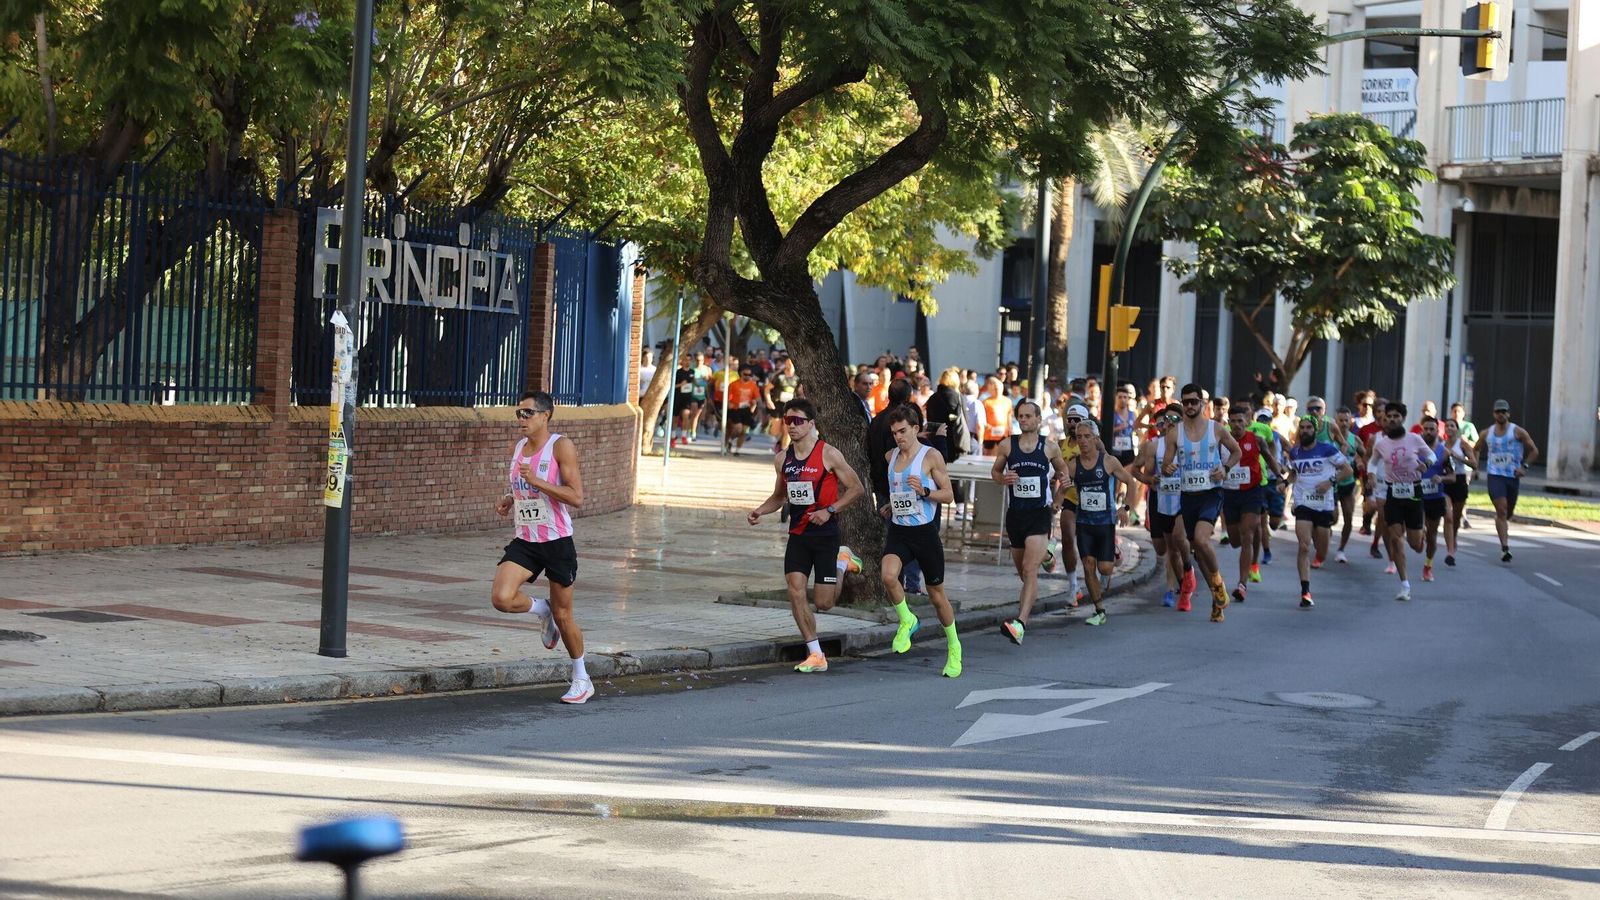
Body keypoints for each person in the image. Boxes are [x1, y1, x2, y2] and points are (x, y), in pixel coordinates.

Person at [747, 399, 867, 674]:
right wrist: (759, 511)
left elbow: (856, 488)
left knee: (824, 603)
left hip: (825, 534)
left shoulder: (829, 454)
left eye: (798, 421)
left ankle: (841, 562)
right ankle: (815, 653)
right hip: (798, 535)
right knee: (795, 590)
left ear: (811, 424)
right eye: (788, 421)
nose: (792, 426)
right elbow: (779, 497)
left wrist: (830, 510)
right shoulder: (782, 459)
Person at [492, 391, 592, 704]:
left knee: (565, 616)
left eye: (527, 413)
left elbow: (576, 497)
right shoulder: (518, 447)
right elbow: (520, 484)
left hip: (557, 541)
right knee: (501, 598)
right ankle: (541, 608)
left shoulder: (561, 446)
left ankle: (582, 677)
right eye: (517, 414)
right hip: (526, 540)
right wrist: (511, 498)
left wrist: (537, 482)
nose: (520, 419)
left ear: (545, 415)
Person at [878, 407, 963, 678]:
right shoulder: (890, 456)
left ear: (916, 428)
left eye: (903, 431)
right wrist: (892, 505)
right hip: (900, 531)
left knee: (937, 596)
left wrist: (925, 491)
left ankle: (954, 646)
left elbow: (949, 495)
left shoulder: (931, 456)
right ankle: (907, 619)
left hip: (925, 533)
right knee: (888, 576)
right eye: (894, 433)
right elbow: (900, 492)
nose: (898, 437)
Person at [1163, 384, 1242, 622]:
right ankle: (1216, 601)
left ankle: (1218, 584)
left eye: (1193, 401)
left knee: (1201, 539)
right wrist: (1168, 468)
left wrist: (1225, 469)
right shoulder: (1174, 433)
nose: (1189, 406)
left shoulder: (1216, 429)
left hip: (1211, 493)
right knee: (1198, 552)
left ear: (1202, 404)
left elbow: (1237, 452)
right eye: (1185, 402)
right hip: (1188, 496)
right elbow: (1166, 467)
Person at [995, 400, 1070, 644]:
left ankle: (1020, 623)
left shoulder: (1049, 447)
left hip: (1039, 514)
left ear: (1039, 420)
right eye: (1021, 416)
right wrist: (1003, 477)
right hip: (1016, 515)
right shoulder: (1007, 445)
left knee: (1029, 570)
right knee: (1025, 574)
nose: (1024, 420)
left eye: (1028, 416)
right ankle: (1047, 556)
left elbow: (1063, 472)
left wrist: (1060, 490)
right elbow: (995, 472)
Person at [1064, 419, 1139, 626]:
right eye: (1079, 437)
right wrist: (1058, 493)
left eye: (1087, 437)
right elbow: (1060, 486)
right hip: (1084, 522)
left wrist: (1125, 508)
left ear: (1096, 439)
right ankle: (1099, 609)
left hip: (1105, 523)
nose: (1083, 441)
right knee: (1088, 565)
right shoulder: (1073, 464)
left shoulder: (1108, 462)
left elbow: (1130, 482)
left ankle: (1114, 554)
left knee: (1105, 568)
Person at [1371, 401, 1438, 601]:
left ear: (1402, 418)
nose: (1392, 419)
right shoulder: (1381, 443)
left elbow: (1432, 455)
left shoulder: (1414, 439)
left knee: (1415, 544)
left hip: (1413, 492)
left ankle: (1420, 533)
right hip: (1393, 492)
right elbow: (1372, 462)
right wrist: (1371, 475)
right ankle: (1404, 585)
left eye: (1396, 416)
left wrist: (1426, 464)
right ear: (1385, 420)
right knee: (1396, 539)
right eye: (1389, 417)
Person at [1285, 415, 1353, 609]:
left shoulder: (1328, 449)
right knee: (1304, 547)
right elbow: (1293, 473)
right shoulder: (1295, 452)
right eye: (1302, 427)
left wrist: (1330, 482)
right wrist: (1284, 482)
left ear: (1315, 430)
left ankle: (1320, 556)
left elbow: (1347, 470)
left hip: (1323, 505)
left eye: (1308, 428)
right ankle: (1305, 591)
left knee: (1321, 552)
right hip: (1303, 504)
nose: (1305, 431)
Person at [1134, 404, 1196, 610]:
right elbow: (1136, 469)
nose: (1169, 423)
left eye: (1175, 419)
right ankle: (1183, 581)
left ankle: (1173, 589)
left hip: (1183, 499)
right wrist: (1150, 479)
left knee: (1177, 542)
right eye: (1166, 419)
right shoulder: (1152, 446)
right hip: (1159, 499)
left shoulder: (1190, 444)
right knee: (1163, 548)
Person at [1223, 404, 1286, 605]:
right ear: (1228, 422)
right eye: (1233, 421)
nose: (1236, 425)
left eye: (1240, 421)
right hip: (1230, 493)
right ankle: (1247, 551)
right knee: (1235, 540)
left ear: (1248, 421)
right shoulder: (1222, 441)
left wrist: (1279, 477)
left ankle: (1242, 584)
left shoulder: (1256, 440)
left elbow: (1269, 458)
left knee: (1248, 535)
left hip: (1252, 492)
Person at [1481, 399, 1540, 563]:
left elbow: (1534, 451)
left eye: (1504, 411)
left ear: (1508, 413)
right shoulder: (1487, 433)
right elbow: (1476, 449)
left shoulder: (1518, 432)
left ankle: (1502, 523)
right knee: (1501, 508)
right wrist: (1474, 467)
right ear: (1494, 414)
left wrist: (1524, 467)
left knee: (1508, 512)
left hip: (1512, 476)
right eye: (1498, 411)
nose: (1501, 414)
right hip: (1494, 476)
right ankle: (1505, 548)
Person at [1439, 417, 1476, 566]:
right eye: (1447, 426)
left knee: (1456, 517)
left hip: (1460, 480)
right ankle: (1450, 550)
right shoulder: (1441, 445)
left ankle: (1453, 536)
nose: (1449, 428)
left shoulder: (1462, 444)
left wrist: (1459, 457)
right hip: (1446, 480)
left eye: (1452, 426)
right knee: (1448, 516)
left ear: (1457, 429)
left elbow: (1474, 464)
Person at [1417, 416, 1450, 582]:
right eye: (1426, 429)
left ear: (1438, 431)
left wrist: (1441, 479)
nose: (1429, 432)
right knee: (1418, 533)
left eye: (1432, 429)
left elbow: (1452, 476)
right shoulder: (1415, 450)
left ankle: (1428, 566)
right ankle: (1419, 535)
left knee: (1432, 535)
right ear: (1422, 430)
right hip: (1417, 496)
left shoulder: (1443, 452)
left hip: (1435, 497)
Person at [1331, 406, 1365, 563]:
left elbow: (1364, 455)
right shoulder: (1330, 439)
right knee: (1332, 518)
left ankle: (1341, 549)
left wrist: (1360, 461)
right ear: (1335, 421)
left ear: (1351, 421)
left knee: (1349, 517)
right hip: (1331, 483)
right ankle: (1325, 530)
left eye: (1346, 420)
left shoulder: (1354, 439)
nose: (1344, 424)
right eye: (1341, 420)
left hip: (1348, 483)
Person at [724, 367, 763, 452]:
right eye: (746, 374)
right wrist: (728, 404)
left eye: (750, 375)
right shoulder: (734, 384)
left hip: (746, 409)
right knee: (738, 428)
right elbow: (727, 397)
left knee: (744, 431)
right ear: (741, 374)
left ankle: (737, 450)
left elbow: (757, 397)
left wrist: (755, 401)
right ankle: (730, 440)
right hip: (735, 409)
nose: (748, 376)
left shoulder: (753, 385)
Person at [671, 352, 701, 448]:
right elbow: (672, 386)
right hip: (677, 398)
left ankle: (684, 436)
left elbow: (692, 381)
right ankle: (672, 437)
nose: (687, 362)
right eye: (685, 360)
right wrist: (680, 385)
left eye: (689, 360)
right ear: (682, 361)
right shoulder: (678, 372)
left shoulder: (692, 372)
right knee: (675, 419)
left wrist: (697, 386)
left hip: (687, 398)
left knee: (686, 415)